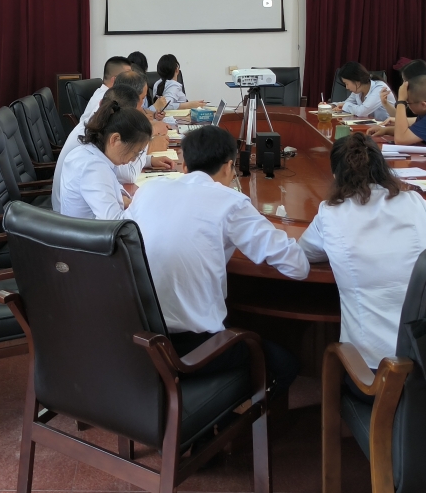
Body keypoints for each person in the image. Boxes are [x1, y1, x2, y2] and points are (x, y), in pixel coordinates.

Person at [128, 125, 309, 393]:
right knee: (286, 364)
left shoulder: (148, 191)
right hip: (191, 349)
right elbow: (297, 266)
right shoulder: (231, 202)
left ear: (184, 165)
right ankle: (242, 415)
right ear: (229, 167)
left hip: (137, 339)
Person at [300, 133, 426, 369]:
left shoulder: (330, 214)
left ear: (335, 176)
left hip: (371, 370)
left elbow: (304, 253)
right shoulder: (416, 202)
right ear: (384, 170)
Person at [53, 95, 152, 219]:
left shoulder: (88, 152)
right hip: (89, 231)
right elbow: (113, 221)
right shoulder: (93, 167)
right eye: (135, 152)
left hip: (81, 227)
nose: (134, 159)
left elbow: (111, 190)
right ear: (115, 139)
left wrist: (126, 201)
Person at [80, 57, 132, 125]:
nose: (131, 80)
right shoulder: (106, 98)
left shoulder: (106, 93)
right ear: (114, 80)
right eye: (127, 77)